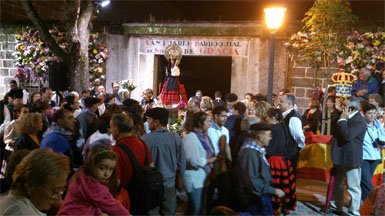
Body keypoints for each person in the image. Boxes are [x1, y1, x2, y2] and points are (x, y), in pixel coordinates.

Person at [58, 145, 129, 215]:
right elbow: (114, 206)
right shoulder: (93, 185)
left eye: (111, 169)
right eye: (102, 168)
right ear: (92, 165)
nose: (107, 174)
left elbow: (92, 205)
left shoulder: (82, 175)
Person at [141, 108, 186, 215]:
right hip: (169, 185)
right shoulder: (176, 138)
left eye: (149, 119)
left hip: (151, 186)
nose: (148, 122)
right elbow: (182, 163)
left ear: (156, 122)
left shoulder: (144, 139)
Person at [0, 148, 70, 215]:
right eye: (54, 191)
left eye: (61, 190)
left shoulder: (11, 200)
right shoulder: (21, 213)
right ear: (30, 186)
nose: (57, 198)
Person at [234, 123, 285, 215]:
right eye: (269, 135)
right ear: (260, 137)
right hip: (254, 199)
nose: (270, 138)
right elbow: (252, 181)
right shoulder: (249, 153)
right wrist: (273, 191)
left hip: (259, 196)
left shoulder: (256, 150)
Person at [330, 96, 367, 215]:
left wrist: (342, 120)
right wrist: (340, 118)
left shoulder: (359, 121)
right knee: (338, 183)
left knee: (353, 186)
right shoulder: (341, 117)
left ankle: (354, 211)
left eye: (345, 105)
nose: (342, 107)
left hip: (351, 159)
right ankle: (336, 206)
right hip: (339, 157)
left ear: (351, 108)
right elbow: (335, 132)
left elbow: (347, 135)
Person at [111, 114, 153, 212]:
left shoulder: (116, 150)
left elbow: (115, 181)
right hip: (144, 195)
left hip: (127, 199)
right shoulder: (142, 143)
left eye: (111, 127)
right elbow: (151, 166)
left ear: (116, 129)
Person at [183, 111, 216, 215]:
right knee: (195, 209)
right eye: (207, 122)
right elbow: (194, 161)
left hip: (201, 178)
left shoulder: (203, 137)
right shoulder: (191, 138)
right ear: (199, 123)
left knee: (197, 208)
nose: (209, 124)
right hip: (194, 179)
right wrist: (211, 160)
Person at [265, 108, 296, 215]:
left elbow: (271, 147)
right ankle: (283, 207)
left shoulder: (275, 129)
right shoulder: (282, 127)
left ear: (273, 118)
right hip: (282, 161)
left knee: (275, 186)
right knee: (283, 186)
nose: (266, 119)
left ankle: (275, 207)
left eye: (267, 117)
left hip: (275, 161)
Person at [360, 103, 385, 201]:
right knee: (366, 182)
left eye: (374, 113)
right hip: (364, 157)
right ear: (364, 113)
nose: (372, 116)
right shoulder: (361, 124)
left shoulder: (378, 124)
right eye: (370, 113)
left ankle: (364, 204)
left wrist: (381, 141)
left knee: (365, 182)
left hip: (375, 156)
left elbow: (383, 138)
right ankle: (374, 201)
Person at [279, 94, 305, 172]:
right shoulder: (284, 115)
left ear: (289, 104)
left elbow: (298, 135)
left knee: (289, 174)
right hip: (285, 151)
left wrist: (300, 146)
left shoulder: (293, 117)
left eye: (281, 101)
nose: (279, 103)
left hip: (290, 152)